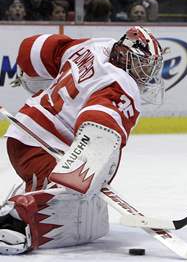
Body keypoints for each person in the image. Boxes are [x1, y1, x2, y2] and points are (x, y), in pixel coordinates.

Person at [0, 26, 164, 254]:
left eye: (150, 66)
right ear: (125, 56)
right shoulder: (121, 84)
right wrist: (85, 175)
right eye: (144, 65)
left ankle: (27, 200)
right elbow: (99, 127)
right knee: (74, 212)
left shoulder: (97, 46)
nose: (148, 74)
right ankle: (14, 222)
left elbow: (36, 48)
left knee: (93, 218)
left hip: (31, 132)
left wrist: (27, 72)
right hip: (40, 145)